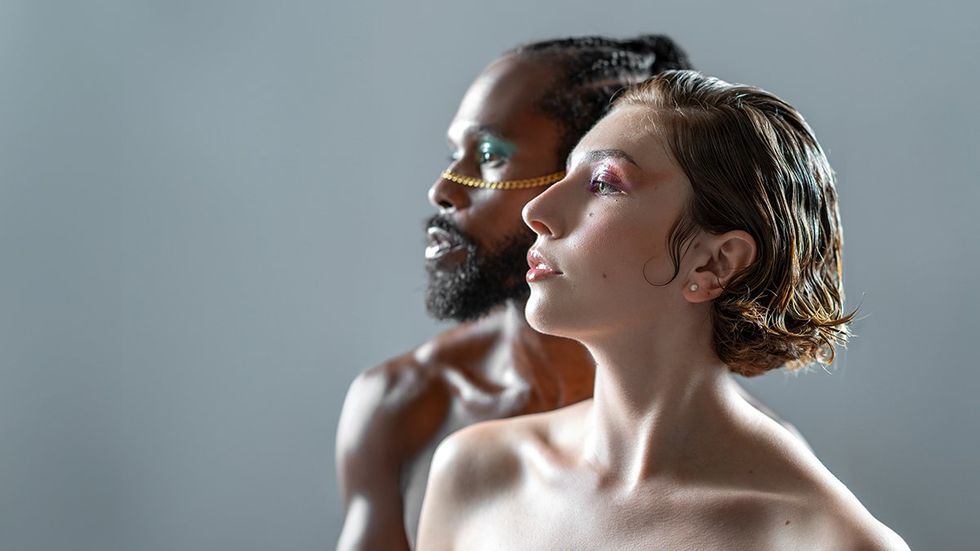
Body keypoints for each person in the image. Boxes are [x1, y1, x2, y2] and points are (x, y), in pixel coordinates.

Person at [336, 37, 798, 550]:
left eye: (489, 156)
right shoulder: (412, 408)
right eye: (454, 154)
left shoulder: (776, 499)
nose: (442, 190)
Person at [416, 70, 909, 550]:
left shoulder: (827, 541)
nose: (535, 211)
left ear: (714, 262)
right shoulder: (476, 473)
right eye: (567, 174)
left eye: (604, 183)